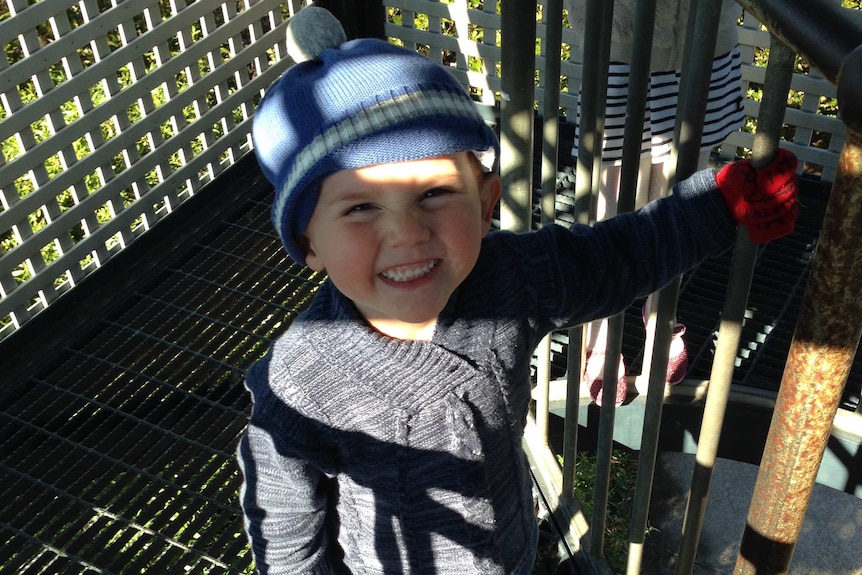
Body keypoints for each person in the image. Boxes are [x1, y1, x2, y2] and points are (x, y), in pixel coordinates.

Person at [237, 6, 798, 575]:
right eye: (360, 207)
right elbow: (285, 524)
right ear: (308, 244)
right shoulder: (302, 376)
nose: (407, 233)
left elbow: (614, 259)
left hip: (512, 551)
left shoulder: (510, 277)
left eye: (433, 193)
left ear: (484, 205)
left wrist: (714, 204)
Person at [564, 0, 747, 404]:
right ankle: (601, 331)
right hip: (617, 34)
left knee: (682, 187)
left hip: (704, 35)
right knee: (609, 197)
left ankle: (661, 313)